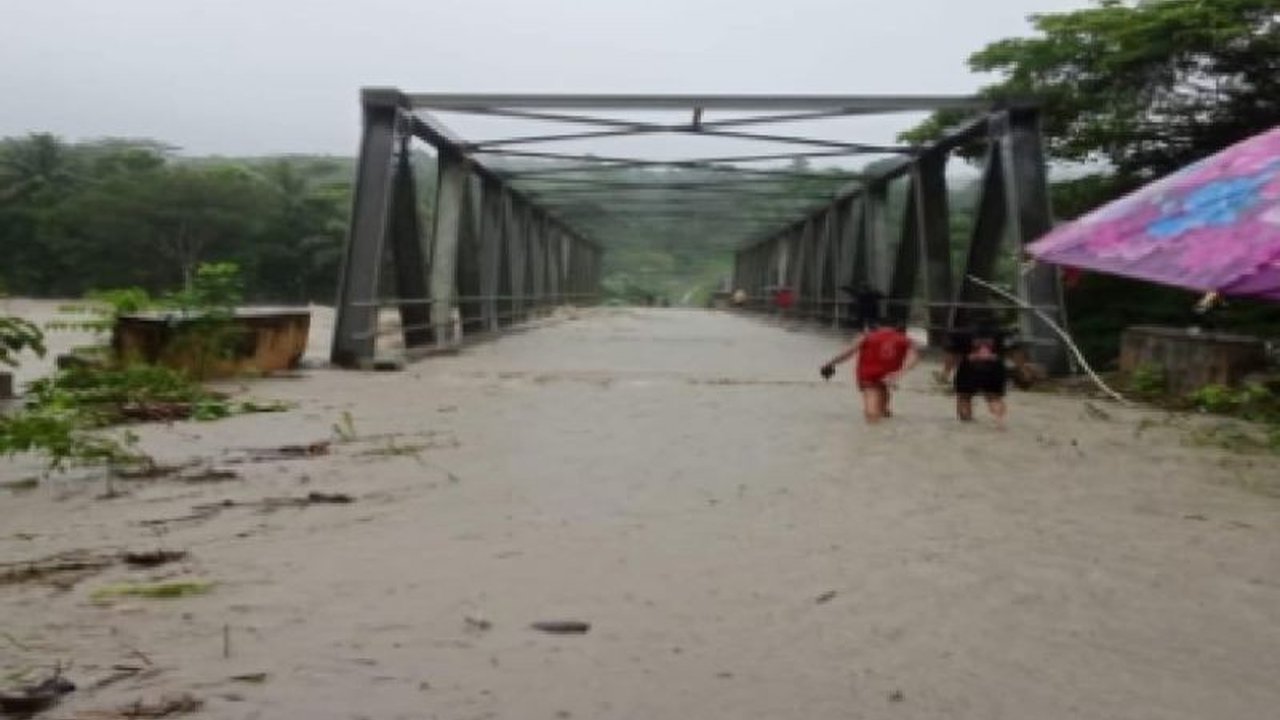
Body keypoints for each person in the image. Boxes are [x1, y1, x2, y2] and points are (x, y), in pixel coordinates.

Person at [821, 323, 919, 423]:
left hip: (869, 378)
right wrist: (899, 373)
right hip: (887, 379)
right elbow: (913, 358)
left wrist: (830, 363)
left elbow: (848, 352)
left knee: (872, 414)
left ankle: (873, 434)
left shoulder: (867, 336)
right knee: (883, 412)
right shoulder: (906, 340)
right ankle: (889, 433)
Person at [942, 320, 1012, 428]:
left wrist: (946, 372)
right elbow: (1013, 351)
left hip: (969, 367)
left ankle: (966, 421)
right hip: (995, 367)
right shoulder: (1000, 332)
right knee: (994, 398)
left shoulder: (960, 332)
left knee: (964, 397)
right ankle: (999, 421)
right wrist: (1023, 369)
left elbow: (951, 354)